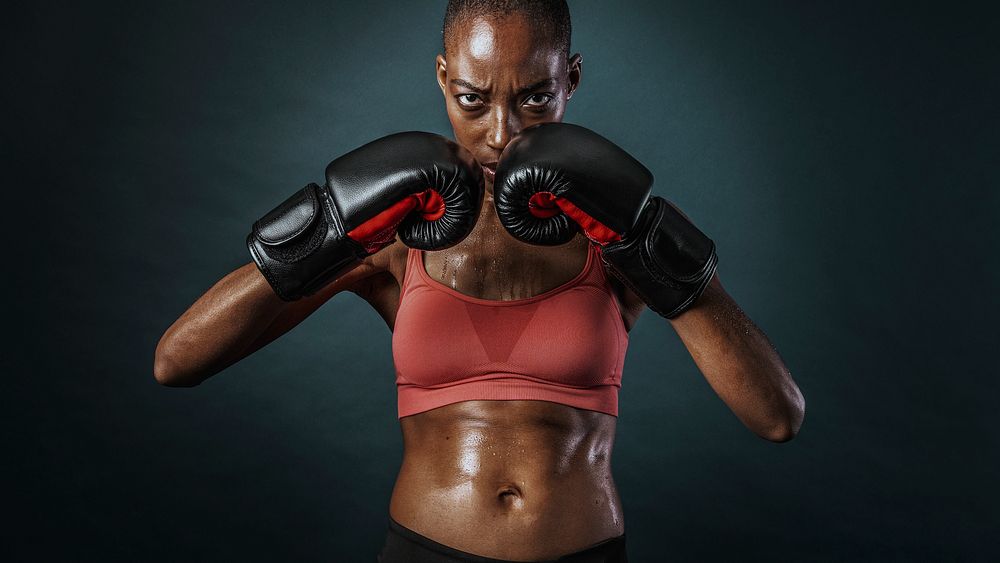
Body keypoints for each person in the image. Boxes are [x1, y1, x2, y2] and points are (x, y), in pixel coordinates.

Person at [153, 1, 805, 561]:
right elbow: (175, 361)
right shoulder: (398, 232)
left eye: (534, 98)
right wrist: (329, 227)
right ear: (442, 78)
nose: (501, 132)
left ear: (570, 78)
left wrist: (646, 240)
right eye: (473, 98)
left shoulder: (613, 226)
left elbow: (778, 415)